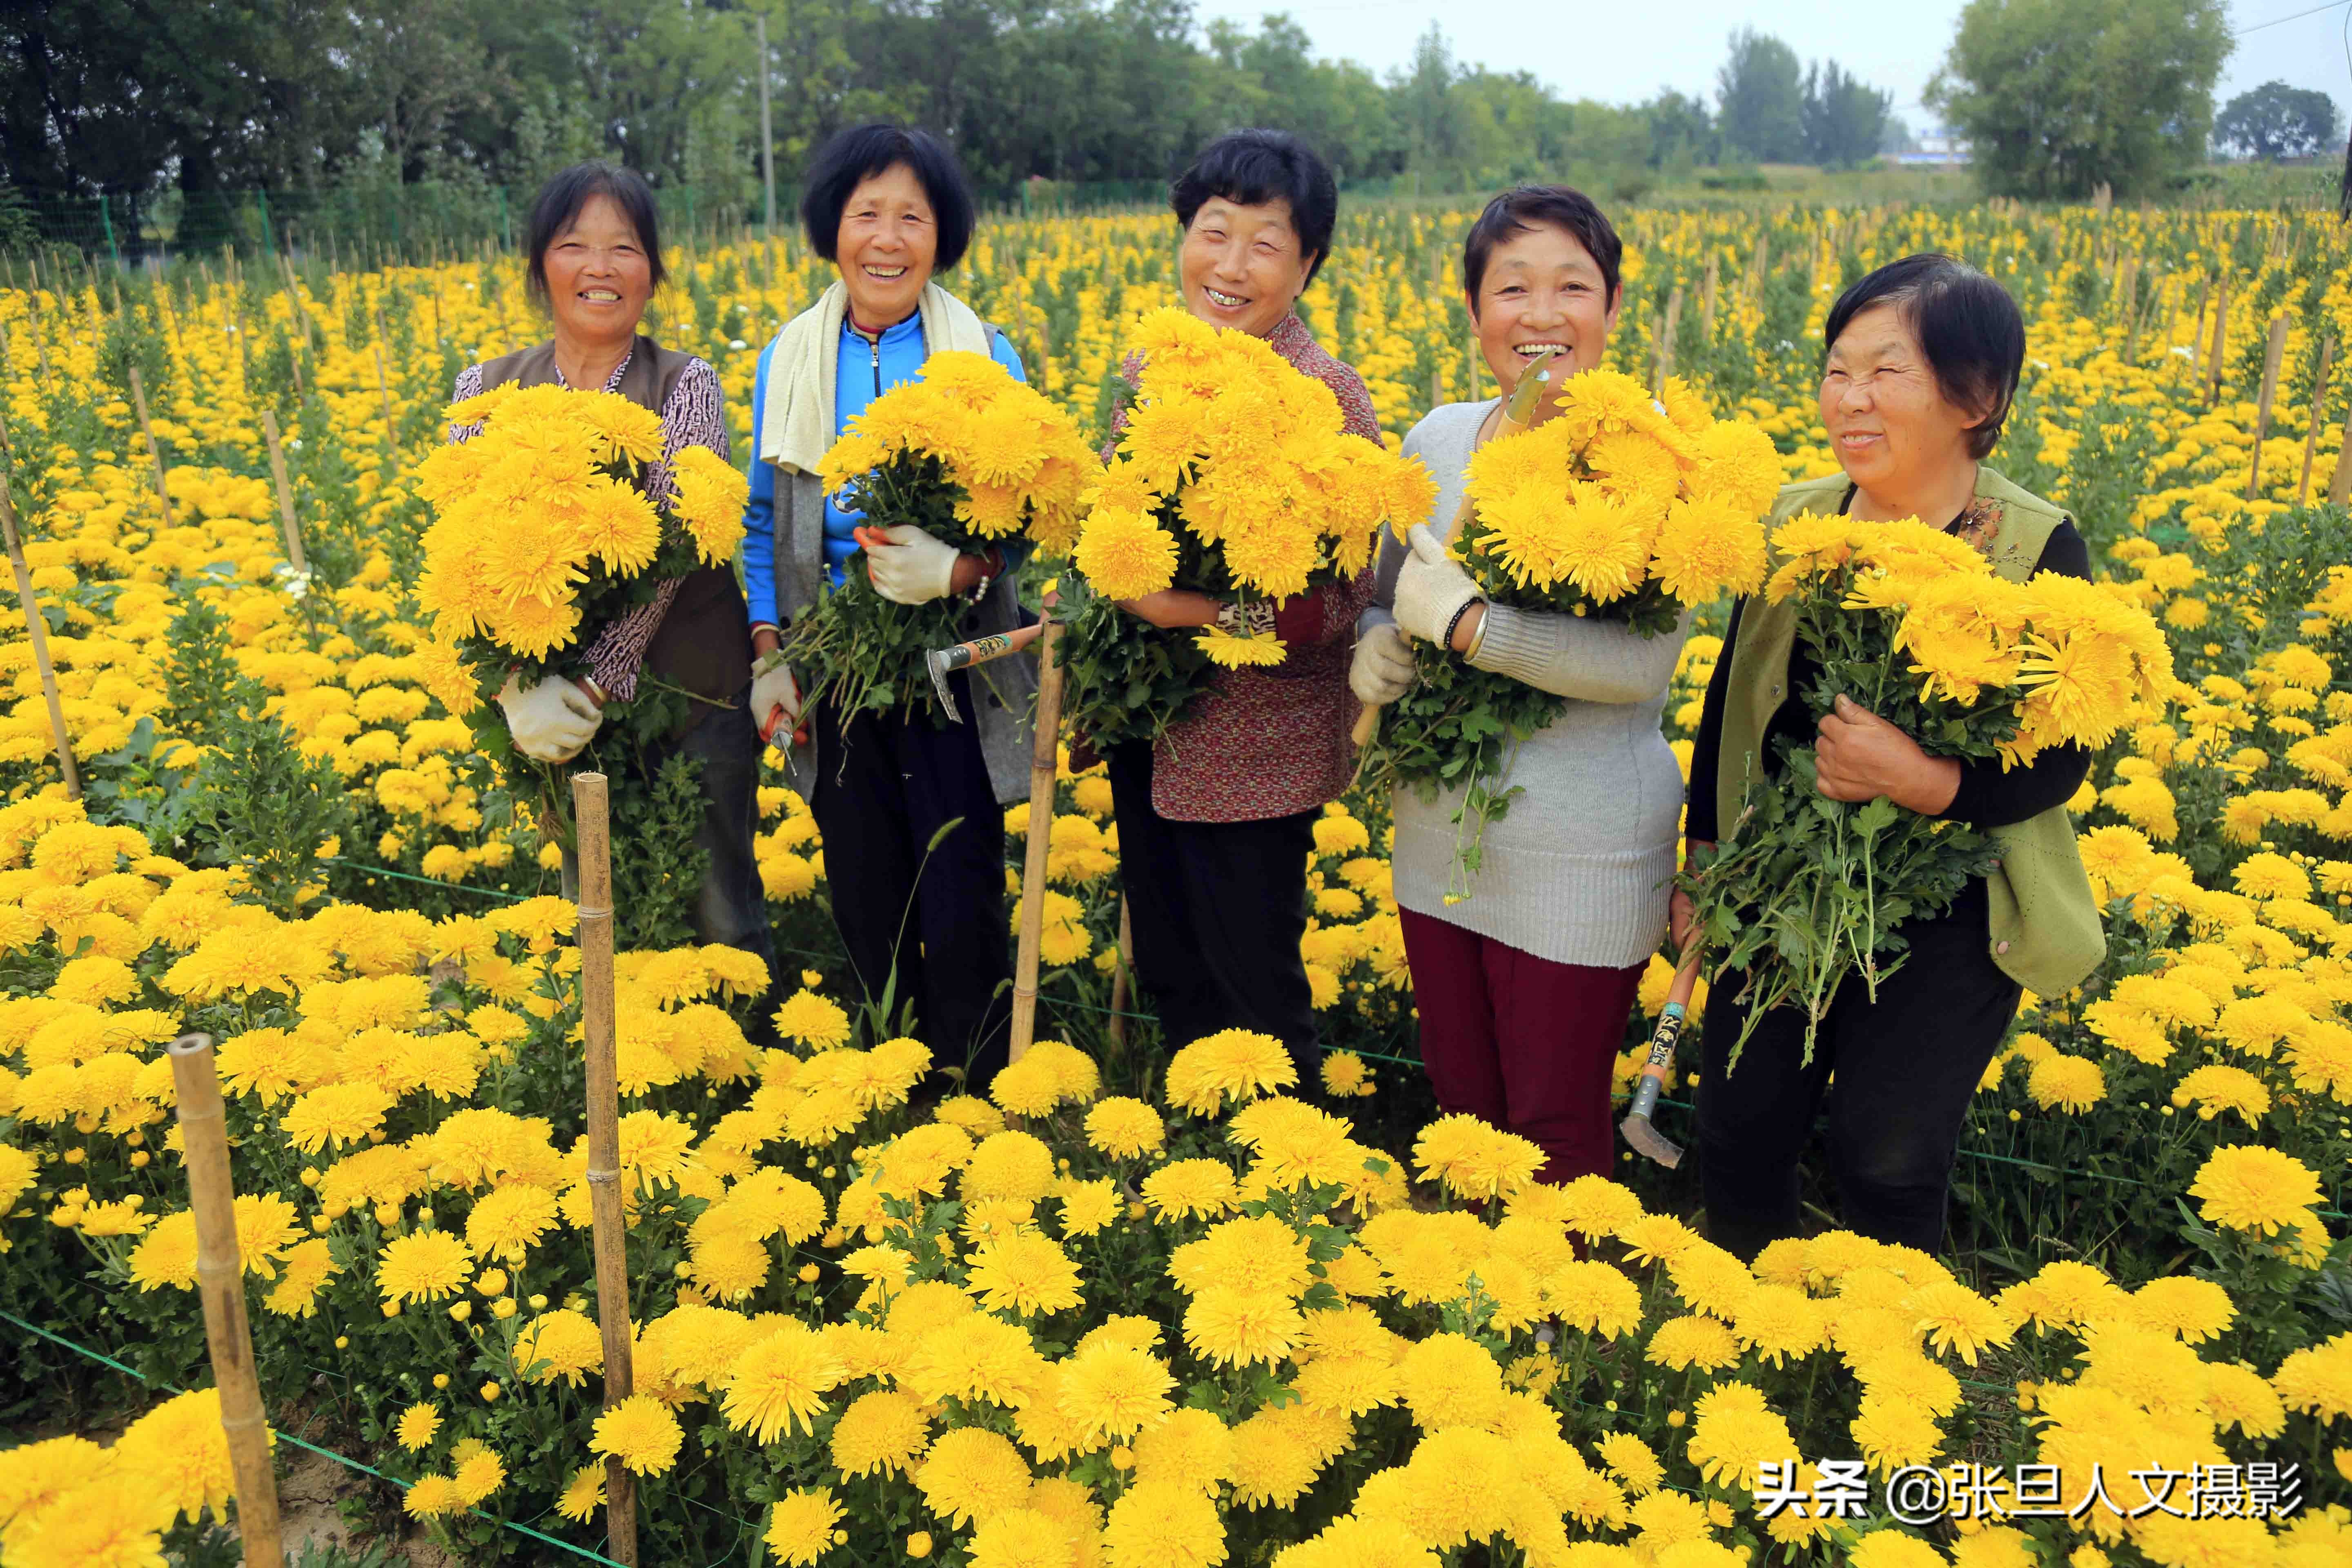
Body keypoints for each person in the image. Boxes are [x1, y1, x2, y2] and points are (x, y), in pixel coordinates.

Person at [1678, 252, 2105, 1261]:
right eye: (1836, 370)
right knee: (1742, 1123)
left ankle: (1888, 1346)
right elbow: (1730, 699)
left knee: (1889, 1152)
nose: (1849, 399)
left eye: (1887, 371)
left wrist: (1931, 783)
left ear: (1978, 397)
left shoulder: (2034, 547)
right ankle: (1746, 1314)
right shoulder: (1796, 519)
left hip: (1953, 900)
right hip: (1777, 879)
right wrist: (1703, 857)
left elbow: (2068, 746)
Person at [1351, 186, 1687, 1187]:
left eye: (1571, 287)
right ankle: (1478, 1306)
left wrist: (1471, 629)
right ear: (1473, 311)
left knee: (1555, 1125)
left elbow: (1640, 666)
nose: (1541, 316)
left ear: (1613, 307)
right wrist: (1373, 645)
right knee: (1463, 1104)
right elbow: (1387, 591)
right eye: (1512, 289)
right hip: (1439, 835)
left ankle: (1565, 1329)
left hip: (1581, 846)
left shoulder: (1652, 458)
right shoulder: (1440, 440)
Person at [742, 122, 1032, 1091]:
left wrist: (958, 571)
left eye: (913, 216)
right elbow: (758, 520)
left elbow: (1031, 519)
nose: (888, 238)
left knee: (960, 888)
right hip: (834, 662)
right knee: (865, 884)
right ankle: (892, 1082)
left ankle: (981, 1083)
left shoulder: (985, 354)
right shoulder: (789, 355)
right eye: (867, 214)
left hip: (955, 663)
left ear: (941, 236)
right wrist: (769, 650)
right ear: (833, 229)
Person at [448, 161, 776, 985]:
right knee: (587, 898)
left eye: (624, 248)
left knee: (719, 903)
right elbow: (464, 551)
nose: (600, 267)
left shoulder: (684, 382)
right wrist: (516, 686)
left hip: (693, 691)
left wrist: (598, 679)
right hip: (548, 695)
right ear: (538, 267)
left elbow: (677, 545)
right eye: (574, 246)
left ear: (652, 272)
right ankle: (611, 1069)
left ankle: (743, 1069)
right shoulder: (484, 392)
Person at [1105, 128, 1381, 1093]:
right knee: (1173, 963)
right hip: (1154, 729)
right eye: (1212, 232)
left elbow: (1343, 599)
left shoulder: (1328, 396)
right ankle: (1203, 1147)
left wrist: (1189, 611)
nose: (1230, 266)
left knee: (1255, 982)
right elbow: (1112, 526)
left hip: (1257, 747)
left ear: (1305, 267)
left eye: (1265, 244)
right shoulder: (1148, 377)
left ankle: (1293, 1167)